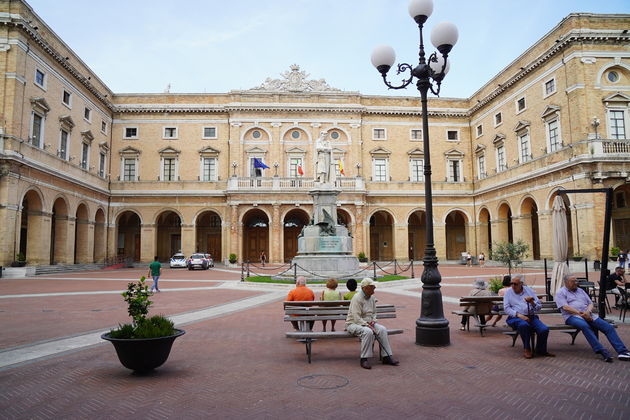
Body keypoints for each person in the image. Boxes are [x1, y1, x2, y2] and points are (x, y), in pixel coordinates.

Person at [556, 274, 630, 362]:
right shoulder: (561, 292)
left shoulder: (580, 291)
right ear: (567, 282)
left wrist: (588, 312)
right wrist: (581, 314)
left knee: (608, 327)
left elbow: (590, 303)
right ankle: (602, 351)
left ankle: (622, 351)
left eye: (577, 281)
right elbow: (565, 307)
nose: (576, 283)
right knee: (585, 326)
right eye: (574, 281)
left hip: (589, 315)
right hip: (572, 317)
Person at [346, 278, 399, 369]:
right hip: (353, 324)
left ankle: (386, 356)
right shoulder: (357, 298)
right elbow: (356, 317)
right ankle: (364, 359)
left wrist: (373, 321)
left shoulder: (372, 298)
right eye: (372, 287)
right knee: (368, 332)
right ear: (365, 288)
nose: (374, 289)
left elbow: (374, 312)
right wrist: (367, 325)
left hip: (369, 323)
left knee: (382, 329)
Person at [503, 274, 555, 359]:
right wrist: (519, 315)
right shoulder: (508, 292)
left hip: (531, 316)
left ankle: (541, 350)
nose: (512, 286)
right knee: (524, 325)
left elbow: (538, 307)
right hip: (515, 317)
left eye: (515, 284)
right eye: (511, 283)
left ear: (521, 284)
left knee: (544, 329)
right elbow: (506, 308)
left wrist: (532, 302)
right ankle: (527, 348)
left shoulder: (529, 291)